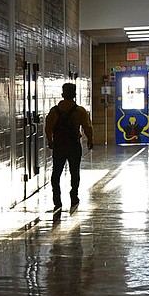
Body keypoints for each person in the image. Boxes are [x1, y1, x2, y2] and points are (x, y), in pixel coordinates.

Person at [45, 83, 93, 213]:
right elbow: (87, 127)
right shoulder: (80, 111)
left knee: (56, 174)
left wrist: (50, 141)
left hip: (59, 146)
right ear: (75, 95)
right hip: (73, 145)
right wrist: (90, 140)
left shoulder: (54, 111)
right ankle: (74, 196)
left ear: (62, 94)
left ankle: (57, 200)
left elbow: (48, 128)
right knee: (74, 172)